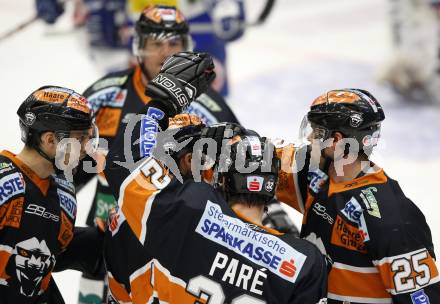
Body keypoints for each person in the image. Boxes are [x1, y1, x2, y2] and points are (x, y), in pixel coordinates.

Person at [103, 51, 328, 304]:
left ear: (221, 178)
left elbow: (128, 162)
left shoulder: (190, 214)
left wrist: (160, 104)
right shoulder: (304, 260)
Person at [73, 5, 240, 302]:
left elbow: (241, 166)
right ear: (139, 46)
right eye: (156, 44)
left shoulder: (207, 105)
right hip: (108, 234)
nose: (165, 53)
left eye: (173, 43)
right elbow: (68, 167)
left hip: (177, 240)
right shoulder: (105, 95)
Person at [275, 88, 440, 303]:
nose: (308, 137)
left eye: (316, 132)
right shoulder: (318, 171)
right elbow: (258, 158)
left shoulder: (391, 218)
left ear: (336, 140)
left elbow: (422, 299)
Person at [0, 86, 100, 303]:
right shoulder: (3, 182)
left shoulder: (65, 194)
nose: (86, 148)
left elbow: (50, 256)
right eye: (80, 139)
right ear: (50, 140)